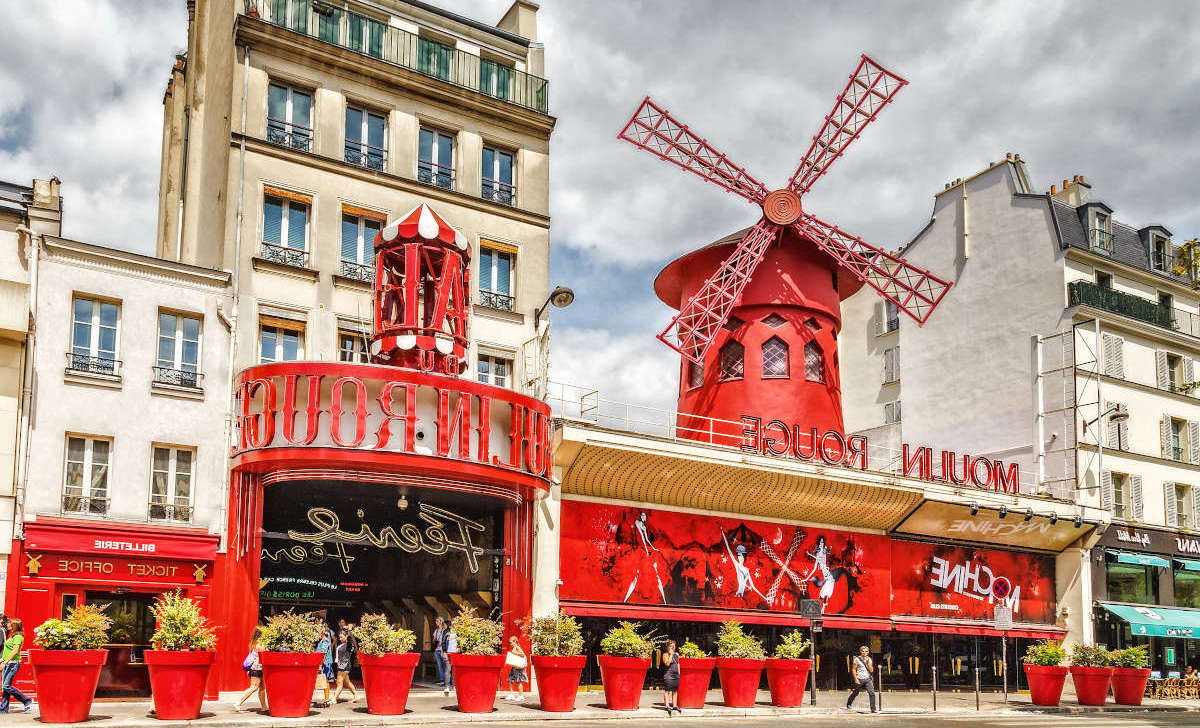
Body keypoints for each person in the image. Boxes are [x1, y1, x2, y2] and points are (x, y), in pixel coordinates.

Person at [0, 619, 31, 713]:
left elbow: (14, 651)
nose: (7, 625)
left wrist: (4, 663)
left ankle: (26, 700)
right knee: (4, 687)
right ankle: (4, 708)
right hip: (7, 663)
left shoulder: (18, 637)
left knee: (6, 686)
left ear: (14, 626)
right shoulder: (12, 636)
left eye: (9, 624)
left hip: (13, 664)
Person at [234, 630, 268, 712]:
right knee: (254, 687)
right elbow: (264, 652)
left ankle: (264, 707)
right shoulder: (259, 644)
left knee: (262, 688)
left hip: (259, 668)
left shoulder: (254, 643)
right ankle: (238, 703)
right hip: (256, 668)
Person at [846, 645, 877, 713]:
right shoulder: (857, 659)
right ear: (860, 652)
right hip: (860, 678)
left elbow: (871, 670)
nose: (864, 652)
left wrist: (868, 663)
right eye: (863, 651)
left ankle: (873, 709)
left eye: (866, 651)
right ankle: (849, 703)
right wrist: (856, 679)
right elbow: (853, 669)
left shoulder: (869, 659)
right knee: (856, 692)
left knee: (872, 693)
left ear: (868, 652)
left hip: (868, 679)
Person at [332, 632, 358, 703]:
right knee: (347, 683)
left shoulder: (349, 645)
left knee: (339, 683)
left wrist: (349, 632)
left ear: (346, 636)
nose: (340, 639)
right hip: (341, 665)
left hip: (344, 666)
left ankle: (334, 698)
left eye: (342, 637)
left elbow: (350, 640)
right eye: (339, 637)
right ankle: (356, 696)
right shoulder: (342, 644)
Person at [503, 636, 528, 702]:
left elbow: (523, 654)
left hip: (518, 668)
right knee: (510, 679)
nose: (510, 644)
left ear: (515, 642)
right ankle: (511, 694)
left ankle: (521, 695)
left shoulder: (517, 647)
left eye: (511, 642)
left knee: (518, 681)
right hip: (514, 667)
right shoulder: (514, 647)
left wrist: (514, 653)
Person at [315, 626, 333, 708]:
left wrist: (320, 664)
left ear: (321, 632)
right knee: (325, 680)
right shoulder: (321, 641)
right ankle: (326, 699)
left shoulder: (325, 640)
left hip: (324, 664)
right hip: (322, 663)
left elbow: (323, 653)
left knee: (325, 680)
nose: (316, 633)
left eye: (317, 631)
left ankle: (326, 699)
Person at [661, 639, 680, 716]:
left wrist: (679, 673)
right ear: (668, 647)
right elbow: (667, 664)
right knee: (667, 691)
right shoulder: (665, 655)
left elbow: (678, 664)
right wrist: (671, 655)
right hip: (668, 675)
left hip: (676, 675)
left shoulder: (677, 654)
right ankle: (667, 706)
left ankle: (675, 706)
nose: (672, 648)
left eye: (673, 647)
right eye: (670, 647)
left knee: (675, 691)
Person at [433, 617, 449, 689]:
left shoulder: (445, 630)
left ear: (441, 622)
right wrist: (435, 641)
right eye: (436, 621)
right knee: (439, 666)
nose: (436, 622)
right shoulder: (436, 630)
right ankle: (442, 679)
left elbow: (445, 640)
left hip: (443, 650)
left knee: (445, 666)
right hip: (437, 650)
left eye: (437, 621)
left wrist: (441, 643)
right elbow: (434, 639)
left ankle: (447, 681)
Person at [442, 625, 458, 697]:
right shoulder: (447, 632)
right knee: (447, 670)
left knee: (454, 670)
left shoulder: (459, 633)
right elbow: (443, 642)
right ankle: (447, 687)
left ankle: (454, 686)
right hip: (448, 653)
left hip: (456, 654)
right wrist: (444, 651)